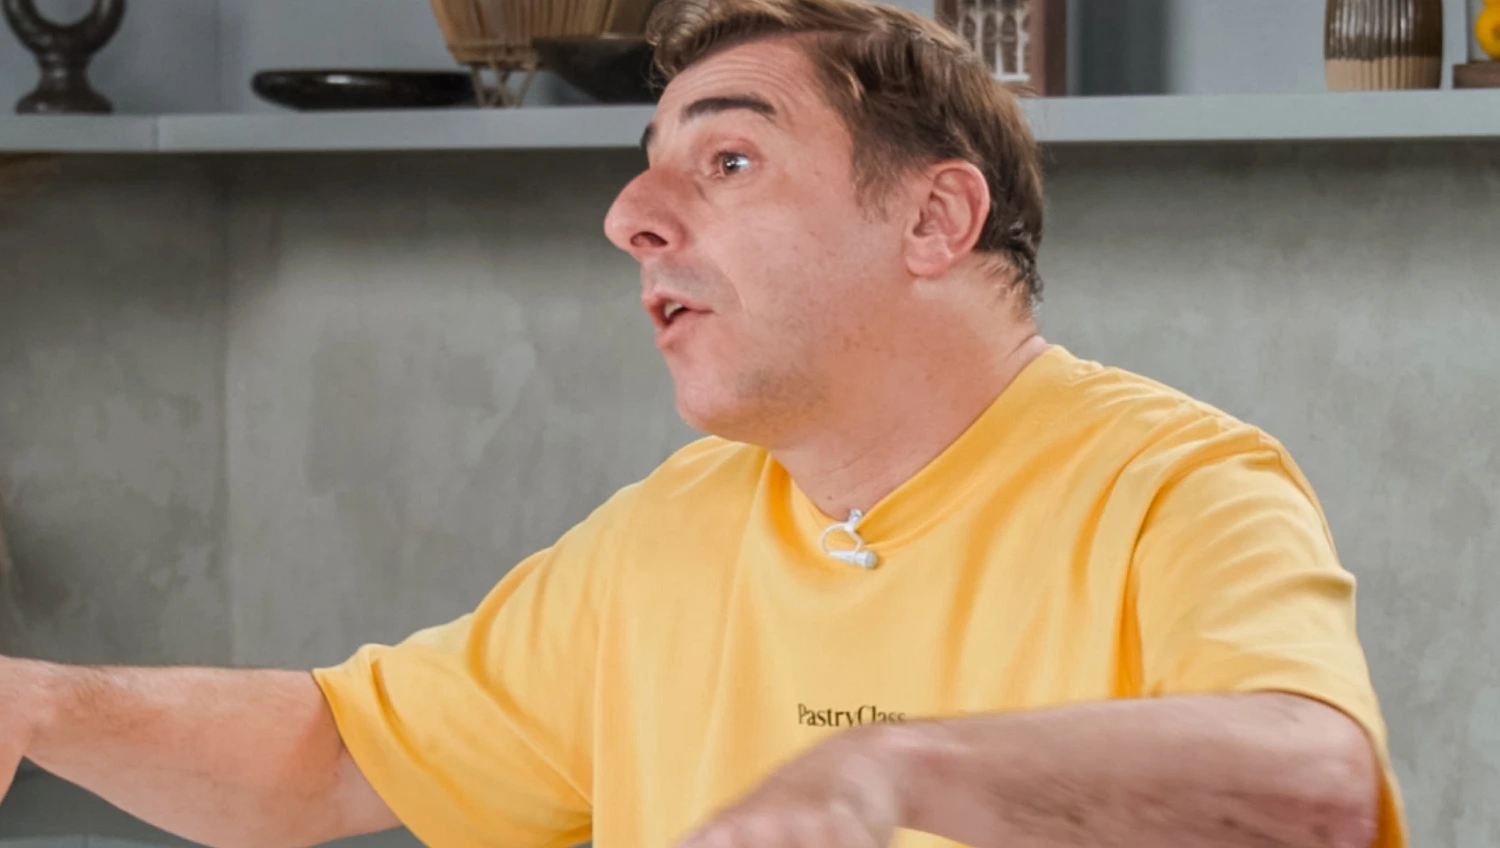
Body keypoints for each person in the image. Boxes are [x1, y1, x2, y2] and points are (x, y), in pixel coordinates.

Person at [0, 0, 1406, 846]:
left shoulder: (1175, 486)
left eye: (728, 159)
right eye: (646, 168)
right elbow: (333, 757)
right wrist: (38, 700)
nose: (630, 217)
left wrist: (894, 771)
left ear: (935, 219)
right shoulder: (665, 535)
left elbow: (1313, 794)